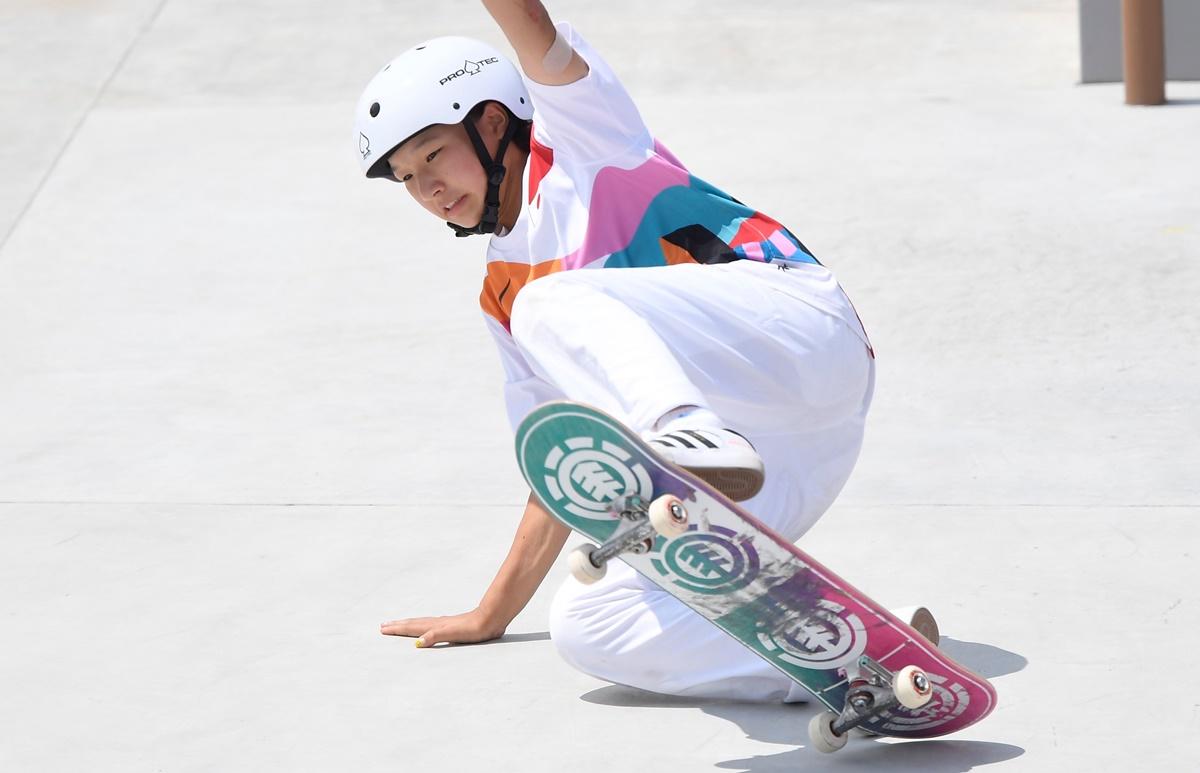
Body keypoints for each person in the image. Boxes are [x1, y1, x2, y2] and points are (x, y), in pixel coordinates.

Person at [354, 0, 933, 703]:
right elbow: (565, 461)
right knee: (587, 622)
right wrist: (491, 612)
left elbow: (534, 33)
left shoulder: (582, 147)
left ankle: (685, 426)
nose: (428, 187)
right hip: (789, 454)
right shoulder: (501, 296)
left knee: (551, 299)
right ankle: (867, 665)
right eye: (408, 177)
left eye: (434, 154)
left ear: (493, 123)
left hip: (800, 335)